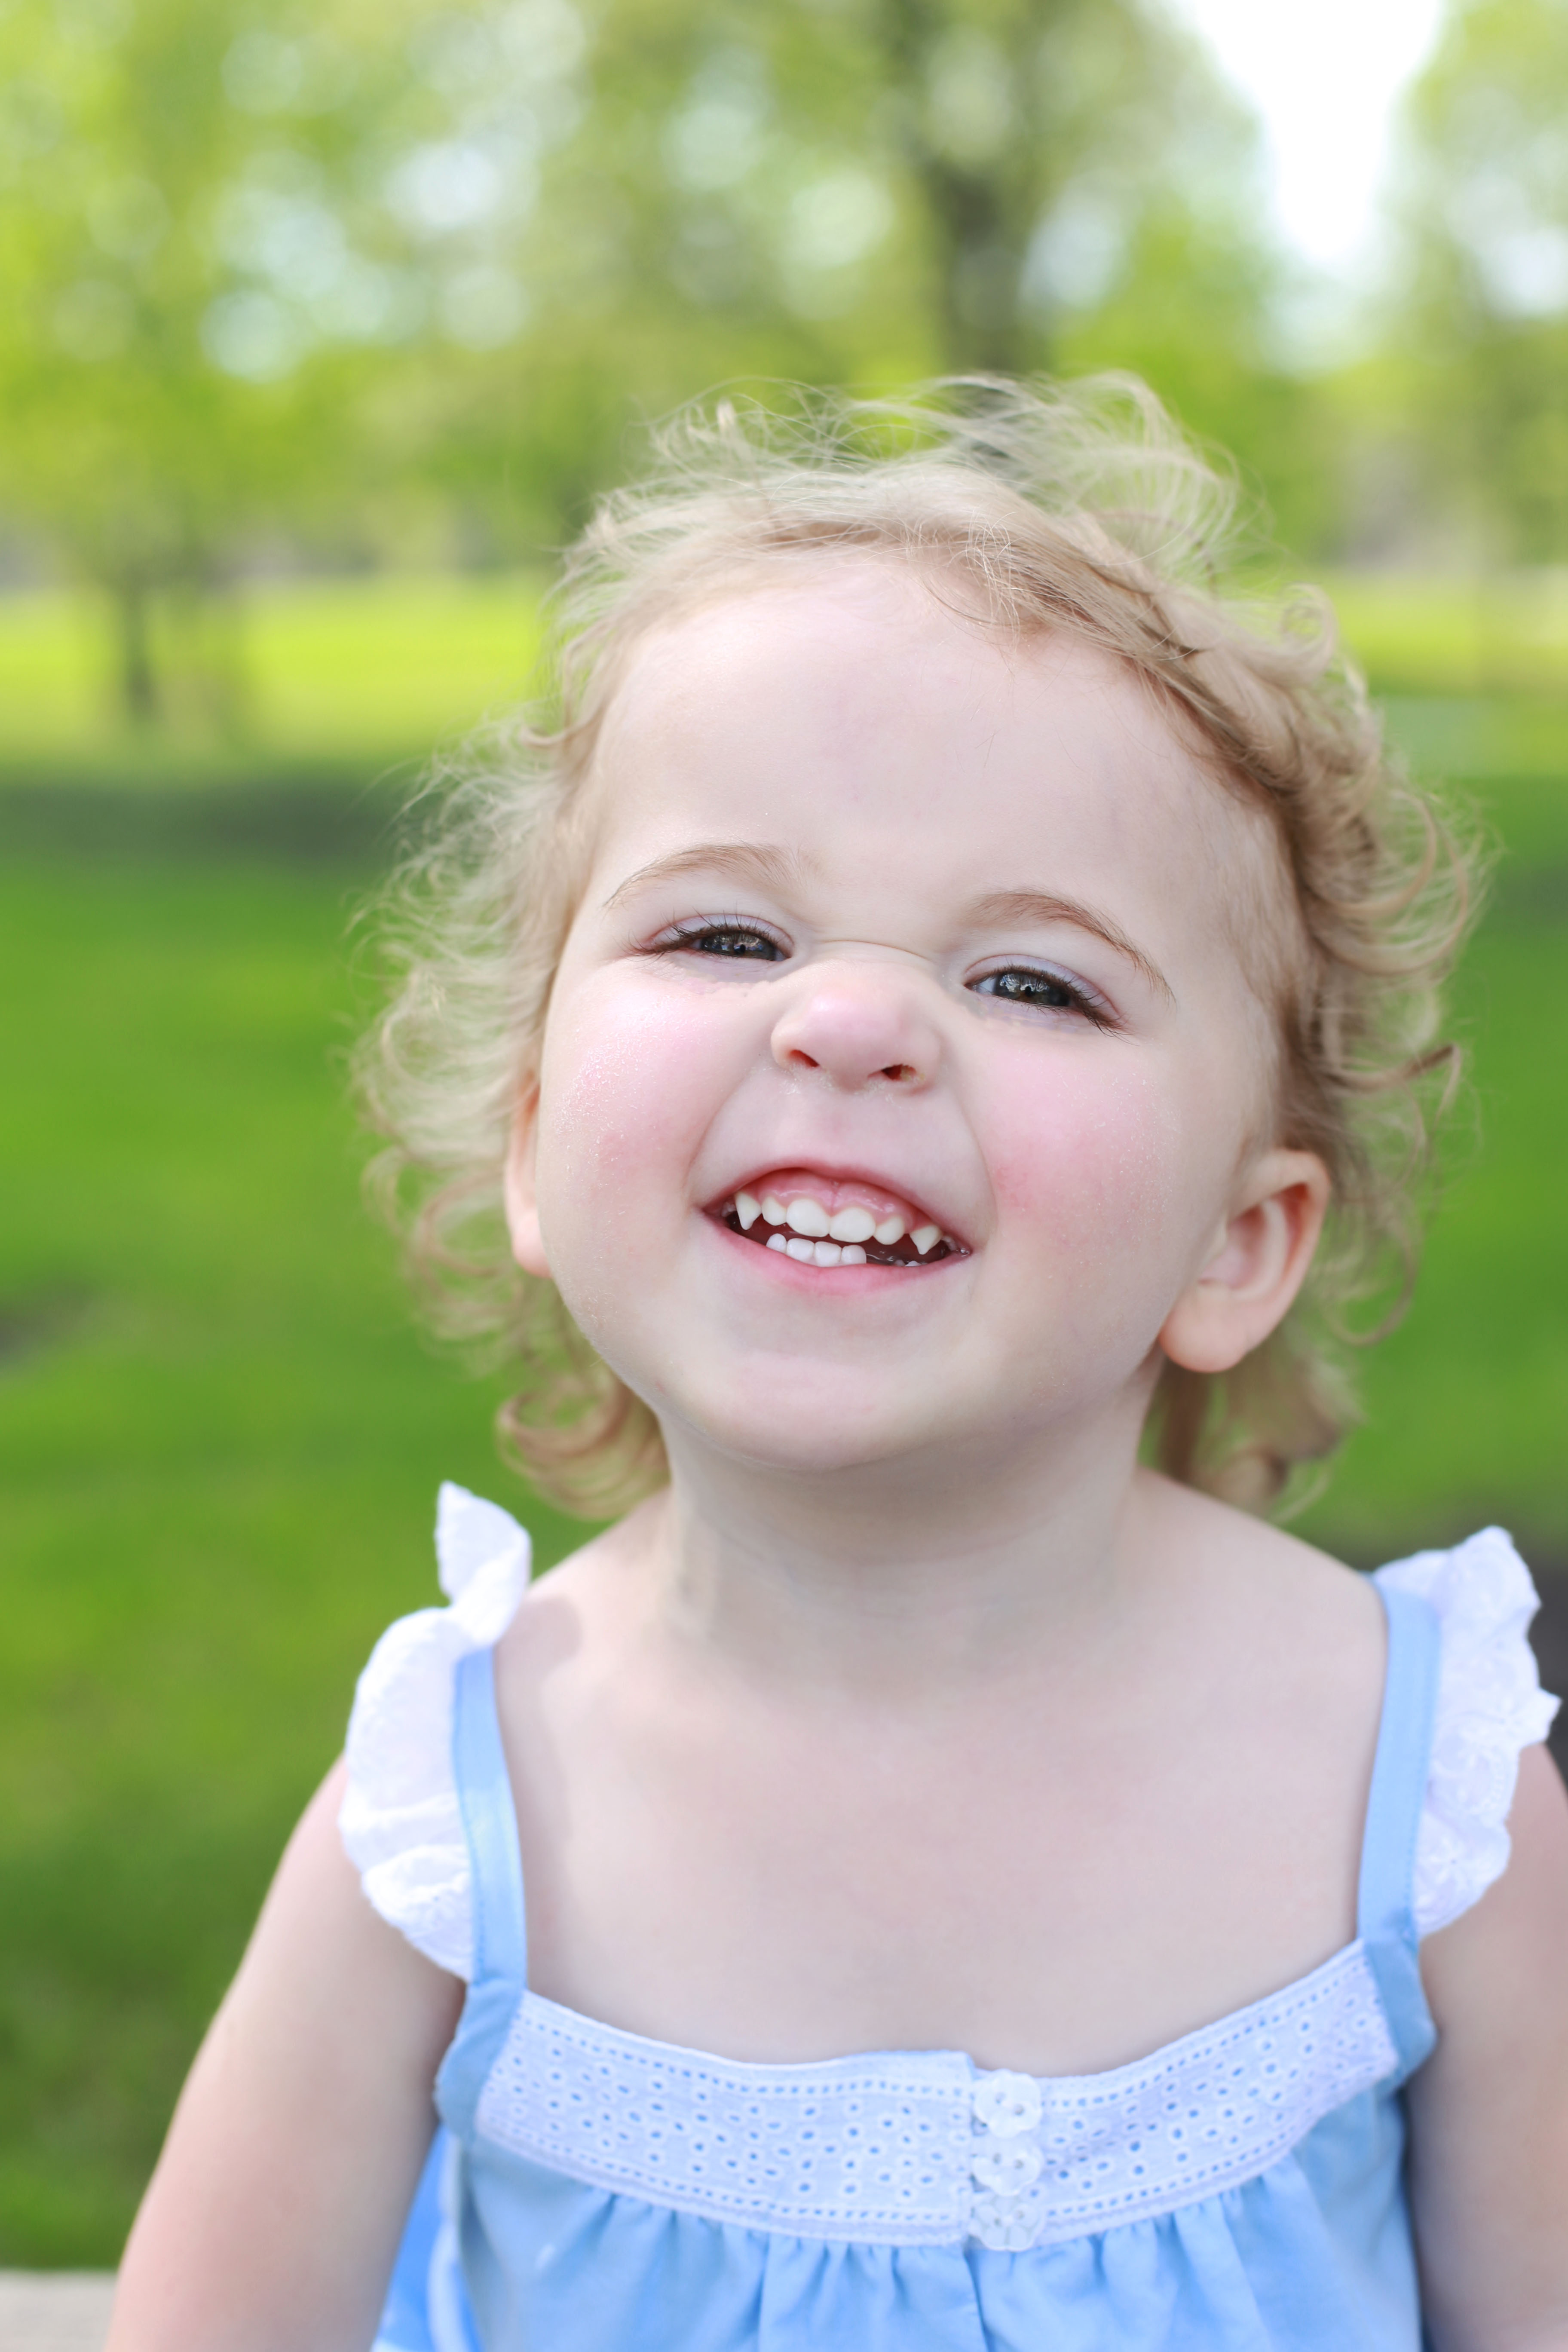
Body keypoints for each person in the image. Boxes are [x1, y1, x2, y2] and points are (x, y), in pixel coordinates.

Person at [107, 379, 1568, 2352]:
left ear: (1237, 1244)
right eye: (726, 937)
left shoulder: (1422, 1784)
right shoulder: (457, 1808)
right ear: (533, 1144)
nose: (853, 1021)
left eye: (1032, 979)